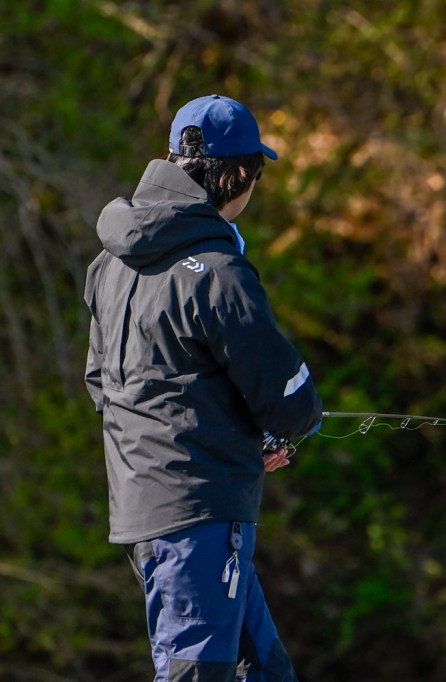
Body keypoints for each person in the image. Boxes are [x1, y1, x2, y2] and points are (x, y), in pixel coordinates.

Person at [84, 94, 323, 681]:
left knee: (263, 670)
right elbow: (289, 399)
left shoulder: (108, 265)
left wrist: (239, 437)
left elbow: (102, 384)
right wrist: (274, 434)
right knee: (197, 672)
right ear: (236, 174)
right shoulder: (219, 271)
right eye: (256, 175)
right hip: (200, 517)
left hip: (146, 511)